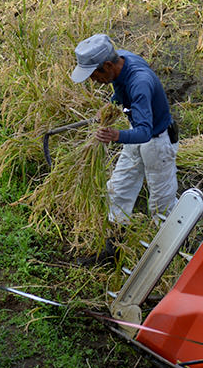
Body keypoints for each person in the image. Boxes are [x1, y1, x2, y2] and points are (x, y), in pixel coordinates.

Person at [70, 33, 179, 265]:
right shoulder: (122, 60)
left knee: (162, 205)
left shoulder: (140, 83)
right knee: (118, 190)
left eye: (94, 75)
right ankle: (114, 251)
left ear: (108, 66)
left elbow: (145, 132)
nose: (93, 81)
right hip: (137, 136)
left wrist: (116, 136)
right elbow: (121, 91)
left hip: (158, 142)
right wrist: (111, 105)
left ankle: (172, 259)